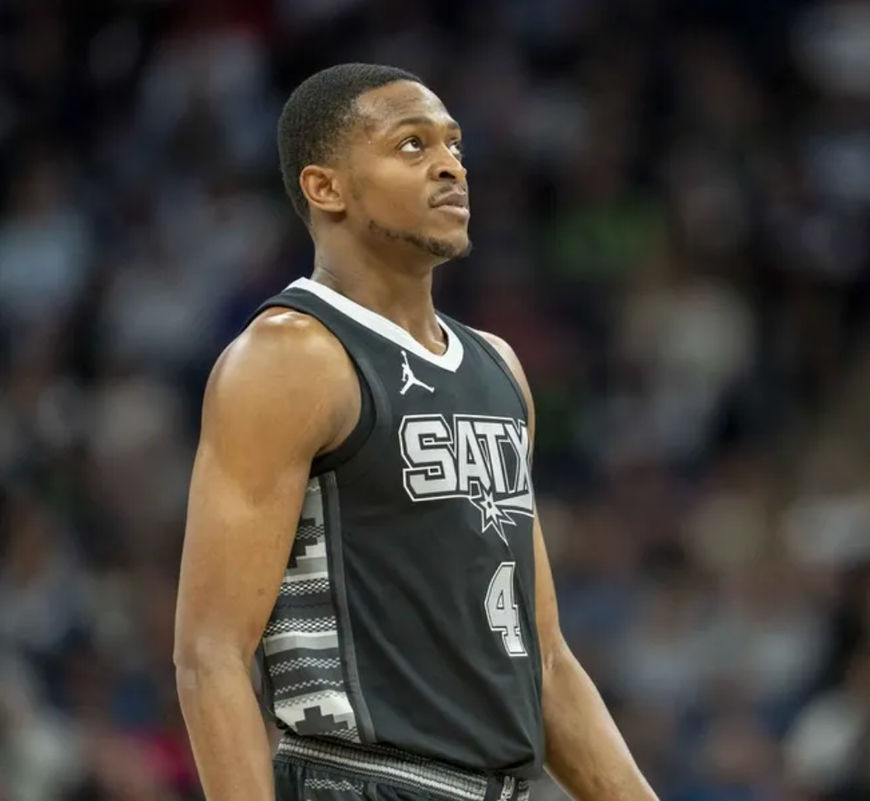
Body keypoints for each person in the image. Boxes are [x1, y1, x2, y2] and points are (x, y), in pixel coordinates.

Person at [174, 63, 659, 801]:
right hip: (361, 778)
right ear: (325, 187)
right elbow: (210, 652)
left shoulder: (498, 366)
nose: (450, 165)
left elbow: (547, 660)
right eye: (411, 144)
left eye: (454, 145)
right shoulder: (290, 357)